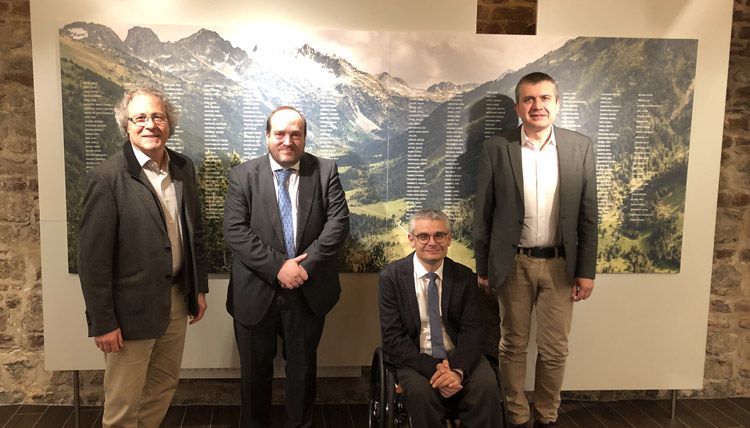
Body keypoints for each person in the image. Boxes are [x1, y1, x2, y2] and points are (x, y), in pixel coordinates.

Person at [77, 87, 208, 427]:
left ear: (169, 124)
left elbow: (195, 232)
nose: (150, 125)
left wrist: (198, 288)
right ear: (127, 126)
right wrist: (103, 322)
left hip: (176, 300)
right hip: (129, 311)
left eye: (158, 117)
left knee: (162, 387)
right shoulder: (107, 178)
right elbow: (92, 261)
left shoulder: (183, 167)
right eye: (140, 118)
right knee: (123, 403)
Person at [473, 72, 598, 428]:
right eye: (529, 99)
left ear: (557, 104)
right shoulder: (497, 147)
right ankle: (516, 415)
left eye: (544, 98)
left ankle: (546, 416)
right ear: (518, 107)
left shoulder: (579, 146)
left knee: (555, 348)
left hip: (561, 265)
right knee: (512, 344)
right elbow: (483, 213)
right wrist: (483, 266)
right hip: (513, 264)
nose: (537, 106)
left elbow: (589, 215)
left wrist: (586, 271)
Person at [223, 106, 350, 427]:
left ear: (304, 137)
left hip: (308, 291)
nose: (287, 141)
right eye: (279, 133)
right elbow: (235, 232)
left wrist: (304, 268)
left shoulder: (325, 171)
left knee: (303, 376)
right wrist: (279, 267)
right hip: (256, 292)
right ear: (267, 136)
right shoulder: (242, 176)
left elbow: (338, 224)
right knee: (254, 378)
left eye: (295, 134)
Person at [379, 209, 502, 428]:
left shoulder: (465, 277)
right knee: (420, 394)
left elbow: (472, 331)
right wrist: (437, 370)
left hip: (458, 353)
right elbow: (393, 337)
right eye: (423, 236)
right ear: (411, 240)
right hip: (415, 357)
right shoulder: (391, 277)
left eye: (439, 235)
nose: (432, 242)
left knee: (486, 387)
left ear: (449, 239)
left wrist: (455, 371)